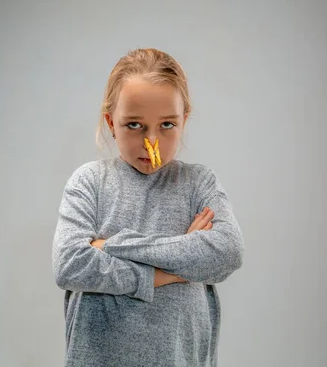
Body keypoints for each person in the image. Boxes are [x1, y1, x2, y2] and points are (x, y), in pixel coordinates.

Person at [52, 48, 245, 367]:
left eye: (167, 125)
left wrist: (111, 246)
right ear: (111, 122)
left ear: (184, 120)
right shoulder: (90, 182)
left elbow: (227, 252)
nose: (150, 142)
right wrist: (179, 267)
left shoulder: (198, 183)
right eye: (134, 125)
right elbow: (70, 264)